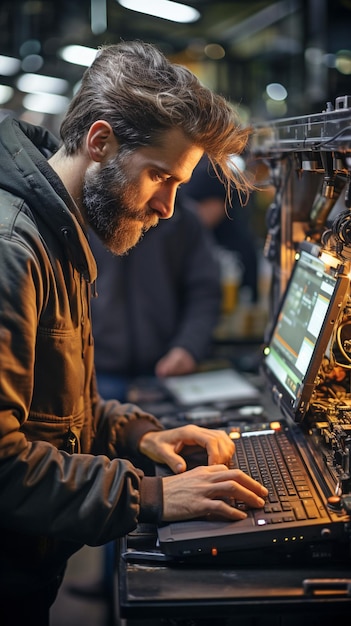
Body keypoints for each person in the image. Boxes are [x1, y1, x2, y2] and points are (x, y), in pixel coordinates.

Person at [0, 41, 268, 625]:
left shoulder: (60, 234)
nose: (171, 208)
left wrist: (141, 435)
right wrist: (151, 496)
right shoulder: (12, 250)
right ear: (100, 142)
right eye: (160, 176)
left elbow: (60, 411)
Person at [90, 198, 222, 403]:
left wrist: (188, 347)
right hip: (95, 375)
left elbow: (204, 293)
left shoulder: (183, 221)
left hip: (164, 374)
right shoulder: (81, 218)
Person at [180, 155, 259, 304]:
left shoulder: (240, 250)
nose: (194, 213)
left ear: (219, 203)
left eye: (199, 206)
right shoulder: (195, 239)